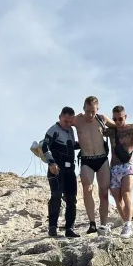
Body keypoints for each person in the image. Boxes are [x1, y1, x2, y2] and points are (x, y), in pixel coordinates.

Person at [105, 106, 133, 239]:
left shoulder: (132, 130)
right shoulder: (112, 131)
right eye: (115, 119)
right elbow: (99, 120)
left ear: (125, 117)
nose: (118, 121)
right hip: (114, 168)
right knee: (117, 200)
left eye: (120, 118)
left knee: (126, 193)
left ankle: (128, 224)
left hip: (127, 167)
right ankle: (127, 225)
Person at [74, 96, 114, 234]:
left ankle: (103, 224)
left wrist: (132, 127)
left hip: (102, 158)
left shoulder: (101, 118)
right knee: (87, 188)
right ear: (83, 108)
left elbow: (118, 127)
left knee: (104, 192)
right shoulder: (77, 120)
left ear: (97, 109)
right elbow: (62, 123)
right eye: (88, 111)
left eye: (93, 111)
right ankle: (92, 223)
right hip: (86, 159)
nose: (91, 115)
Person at [40, 107, 81, 237]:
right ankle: (52, 227)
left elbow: (71, 146)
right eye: (65, 121)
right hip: (57, 168)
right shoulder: (53, 130)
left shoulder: (71, 130)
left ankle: (70, 228)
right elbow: (45, 145)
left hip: (70, 169)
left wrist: (87, 143)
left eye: (70, 122)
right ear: (60, 117)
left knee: (71, 198)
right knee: (56, 195)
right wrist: (51, 162)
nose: (68, 124)